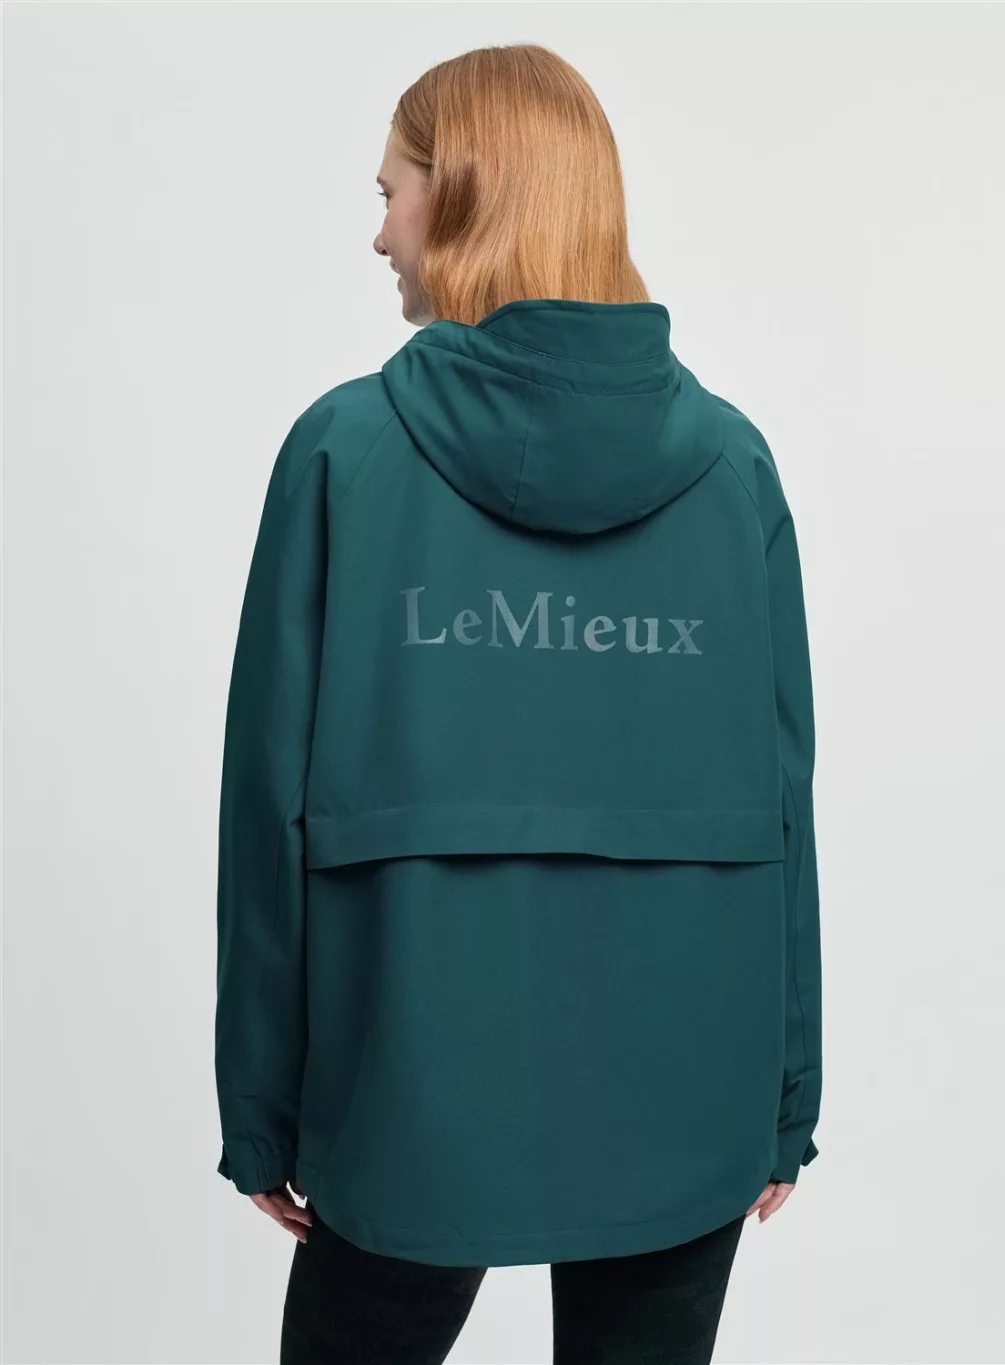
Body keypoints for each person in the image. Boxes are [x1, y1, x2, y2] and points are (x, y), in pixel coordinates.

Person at [214, 41, 822, 1365]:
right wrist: (786, 1092)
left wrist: (260, 1105)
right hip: (688, 1082)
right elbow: (785, 804)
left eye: (393, 192)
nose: (380, 233)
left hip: (410, 1089)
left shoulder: (343, 452)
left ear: (467, 190)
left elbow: (269, 803)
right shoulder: (734, 469)